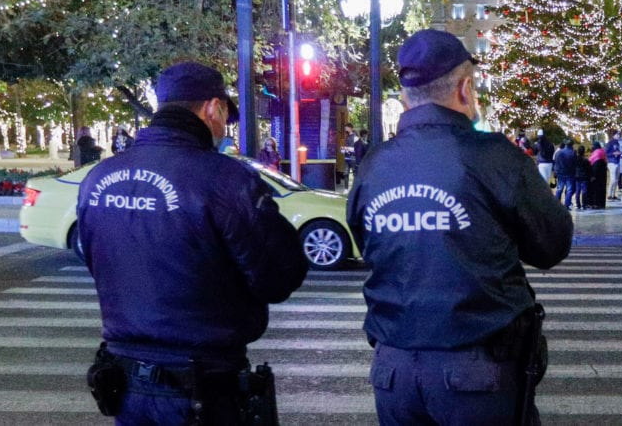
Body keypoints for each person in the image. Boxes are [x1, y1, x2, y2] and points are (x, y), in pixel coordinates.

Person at [346, 29, 573, 425]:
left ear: (405, 96)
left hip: (393, 369)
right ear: (465, 89)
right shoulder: (495, 157)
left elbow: (367, 240)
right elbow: (552, 244)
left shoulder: (373, 165)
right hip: (475, 369)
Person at [77, 62, 308, 424]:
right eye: (225, 118)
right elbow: (278, 276)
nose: (223, 129)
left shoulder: (99, 179)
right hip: (203, 387)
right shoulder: (225, 179)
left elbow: (96, 260)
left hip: (127, 386)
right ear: (212, 108)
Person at [553, 139, 578, 209]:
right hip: (570, 174)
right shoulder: (573, 153)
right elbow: (575, 163)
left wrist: (555, 171)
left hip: (560, 173)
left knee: (559, 188)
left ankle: (556, 204)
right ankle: (567, 204)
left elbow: (556, 163)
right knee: (569, 190)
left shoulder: (559, 152)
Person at [586, 141, 607, 209]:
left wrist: (593, 176)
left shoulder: (596, 153)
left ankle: (596, 204)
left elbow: (595, 166)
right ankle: (601, 204)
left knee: (596, 190)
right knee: (601, 190)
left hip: (596, 177)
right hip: (603, 176)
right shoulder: (602, 152)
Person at [605, 129, 622, 200]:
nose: (619, 136)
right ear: (614, 135)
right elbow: (606, 153)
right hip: (611, 162)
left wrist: (619, 153)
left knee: (616, 179)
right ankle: (609, 194)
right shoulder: (610, 143)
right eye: (617, 134)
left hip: (617, 162)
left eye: (619, 134)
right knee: (613, 179)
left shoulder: (617, 143)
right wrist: (613, 154)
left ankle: (613, 194)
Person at [574, 145, 591, 209]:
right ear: (584, 152)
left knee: (577, 191)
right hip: (584, 177)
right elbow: (589, 169)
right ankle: (584, 204)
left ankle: (578, 204)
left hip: (577, 177)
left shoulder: (575, 159)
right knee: (584, 191)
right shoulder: (586, 160)